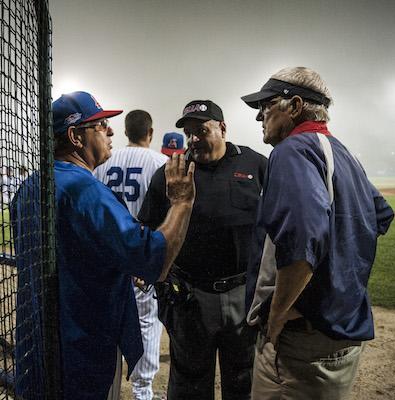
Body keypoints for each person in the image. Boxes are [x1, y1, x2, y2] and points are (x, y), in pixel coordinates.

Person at [11, 91, 195, 400]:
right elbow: (155, 261)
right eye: (100, 125)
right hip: (83, 349)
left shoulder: (30, 186)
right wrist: (181, 203)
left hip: (36, 344)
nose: (111, 131)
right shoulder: (86, 190)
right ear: (75, 136)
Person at [241, 67, 395, 400]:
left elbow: (303, 239)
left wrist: (278, 315)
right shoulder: (344, 153)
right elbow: (380, 216)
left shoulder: (292, 150)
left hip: (302, 342)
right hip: (341, 332)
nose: (259, 117)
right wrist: (338, 285)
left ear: (294, 106)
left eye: (266, 105)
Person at [138, 100, 268, 400]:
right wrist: (157, 278)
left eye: (202, 129)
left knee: (245, 378)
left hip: (243, 292)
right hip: (190, 296)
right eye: (189, 132)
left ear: (222, 128)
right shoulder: (171, 172)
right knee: (189, 384)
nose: (194, 138)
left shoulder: (254, 164)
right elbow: (147, 227)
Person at [94, 109, 168, 400]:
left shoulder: (105, 161)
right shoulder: (160, 161)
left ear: (125, 132)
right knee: (147, 322)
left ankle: (109, 389)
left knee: (108, 321)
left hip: (109, 254)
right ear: (149, 133)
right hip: (142, 252)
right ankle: (142, 391)